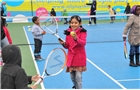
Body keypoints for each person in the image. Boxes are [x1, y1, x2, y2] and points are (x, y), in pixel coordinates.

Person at [59, 15, 87, 89]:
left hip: (79, 57)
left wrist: (76, 38)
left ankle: (79, 88)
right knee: (72, 77)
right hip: (71, 57)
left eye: (76, 23)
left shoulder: (82, 32)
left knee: (78, 77)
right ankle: (76, 86)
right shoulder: (68, 33)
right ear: (70, 23)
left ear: (79, 23)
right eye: (72, 22)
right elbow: (67, 45)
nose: (73, 24)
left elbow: (83, 43)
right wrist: (63, 44)